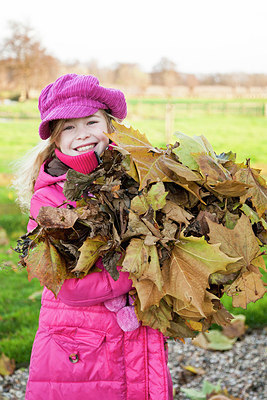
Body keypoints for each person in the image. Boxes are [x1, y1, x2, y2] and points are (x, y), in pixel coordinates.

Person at [14, 74, 173, 400]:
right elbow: (69, 284)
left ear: (110, 125)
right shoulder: (49, 200)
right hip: (82, 348)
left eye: (91, 122)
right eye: (69, 128)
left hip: (135, 336)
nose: (82, 135)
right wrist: (139, 271)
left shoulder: (137, 175)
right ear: (55, 139)